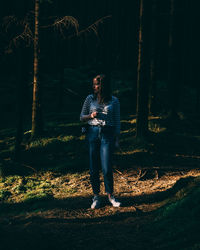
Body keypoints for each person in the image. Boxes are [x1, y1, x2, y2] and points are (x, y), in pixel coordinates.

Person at [80, 74, 121, 209]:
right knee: (93, 168)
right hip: (92, 133)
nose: (94, 87)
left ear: (102, 86)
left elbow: (117, 121)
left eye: (96, 84)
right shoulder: (89, 98)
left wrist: (117, 139)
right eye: (93, 84)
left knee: (107, 167)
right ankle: (96, 196)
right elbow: (81, 117)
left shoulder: (114, 101)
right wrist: (91, 115)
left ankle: (110, 195)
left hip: (107, 134)